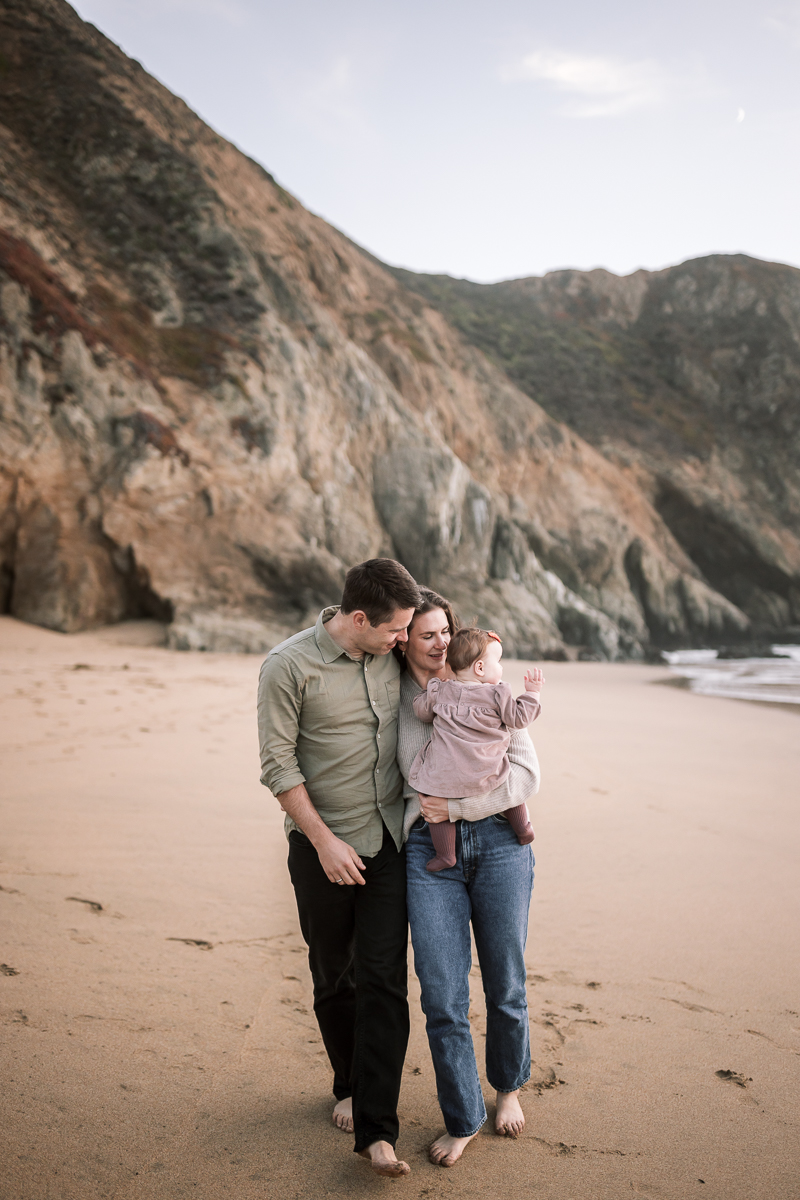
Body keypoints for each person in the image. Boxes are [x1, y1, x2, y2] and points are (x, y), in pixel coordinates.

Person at [257, 558, 422, 1177]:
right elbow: (278, 765)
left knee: (384, 980)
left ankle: (378, 1131)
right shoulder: (287, 666)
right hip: (320, 847)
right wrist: (324, 842)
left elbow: (453, 658)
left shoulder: (392, 655)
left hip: (388, 844)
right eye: (395, 629)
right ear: (358, 619)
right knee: (334, 975)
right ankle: (347, 1083)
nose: (403, 639)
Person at [396, 589, 541, 1168]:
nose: (438, 643)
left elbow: (525, 774)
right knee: (441, 996)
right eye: (425, 634)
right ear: (402, 639)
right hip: (428, 852)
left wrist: (457, 808)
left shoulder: (491, 691)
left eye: (445, 633)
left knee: (505, 982)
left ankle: (508, 1088)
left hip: (500, 843)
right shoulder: (399, 699)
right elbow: (399, 777)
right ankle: (463, 1117)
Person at [409, 626, 542, 870]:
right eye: (498, 661)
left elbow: (422, 712)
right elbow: (518, 718)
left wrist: (424, 693)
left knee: (434, 797)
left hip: (448, 773)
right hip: (485, 768)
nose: (500, 668)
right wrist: (532, 694)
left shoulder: (441, 690)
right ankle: (523, 828)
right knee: (504, 781)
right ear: (480, 668)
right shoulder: (498, 693)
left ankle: (445, 854)